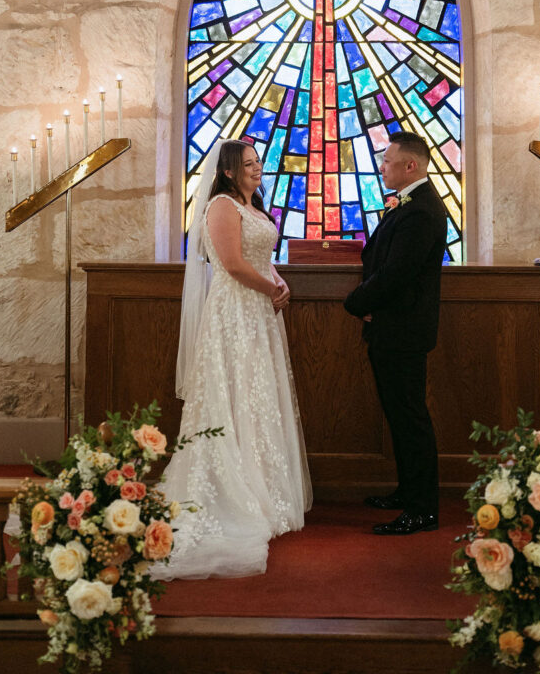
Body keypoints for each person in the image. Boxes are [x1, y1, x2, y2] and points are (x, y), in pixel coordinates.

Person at [158, 139, 312, 579]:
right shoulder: (222, 207)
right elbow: (232, 264)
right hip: (235, 312)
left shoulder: (255, 208)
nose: (257, 168)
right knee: (235, 390)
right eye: (248, 164)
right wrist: (271, 290)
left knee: (258, 395)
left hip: (260, 314)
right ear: (227, 171)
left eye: (257, 162)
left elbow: (263, 260)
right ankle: (232, 491)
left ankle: (265, 484)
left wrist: (279, 282)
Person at [343, 131, 447, 536]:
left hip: (403, 328)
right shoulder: (409, 203)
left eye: (387, 161)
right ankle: (408, 491)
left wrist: (356, 302)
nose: (381, 166)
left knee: (410, 419)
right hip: (392, 325)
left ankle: (423, 509)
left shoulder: (421, 210)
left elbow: (398, 274)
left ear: (411, 166)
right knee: (400, 416)